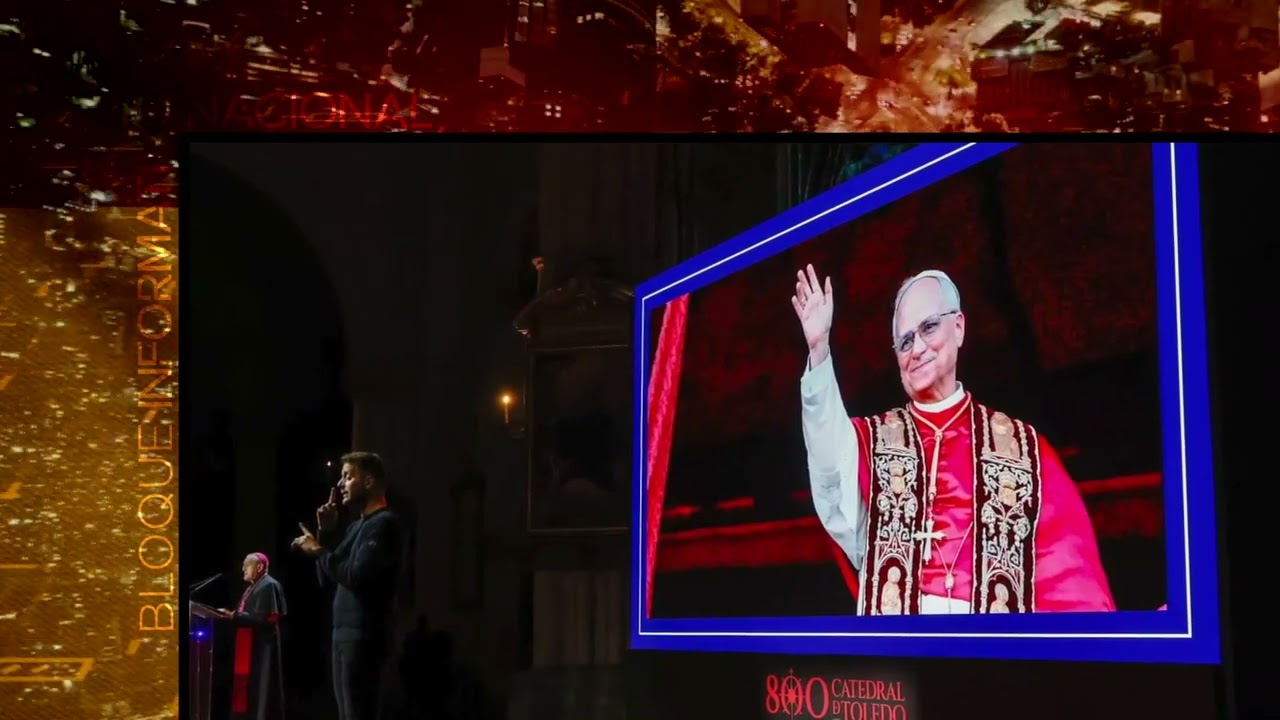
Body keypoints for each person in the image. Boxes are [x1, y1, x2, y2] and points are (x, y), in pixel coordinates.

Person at [792, 265, 1115, 615]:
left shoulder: (1024, 448)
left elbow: (1069, 576)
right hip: (899, 654)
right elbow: (829, 462)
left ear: (959, 327)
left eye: (928, 328)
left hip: (986, 657)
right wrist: (819, 350)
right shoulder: (874, 440)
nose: (916, 349)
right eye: (904, 341)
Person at [292, 451, 405, 720]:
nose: (340, 484)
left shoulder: (386, 525)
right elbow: (328, 577)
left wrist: (318, 549)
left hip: (364, 635)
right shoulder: (356, 528)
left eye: (348, 477)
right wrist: (326, 533)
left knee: (358, 714)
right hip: (342, 634)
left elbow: (355, 576)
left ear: (369, 482)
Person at [218, 553, 287, 720]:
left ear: (259, 567)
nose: (243, 569)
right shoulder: (254, 586)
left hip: (261, 647)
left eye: (246, 564)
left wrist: (234, 616)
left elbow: (264, 618)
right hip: (248, 643)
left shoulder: (268, 585)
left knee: (260, 690)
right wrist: (234, 616)